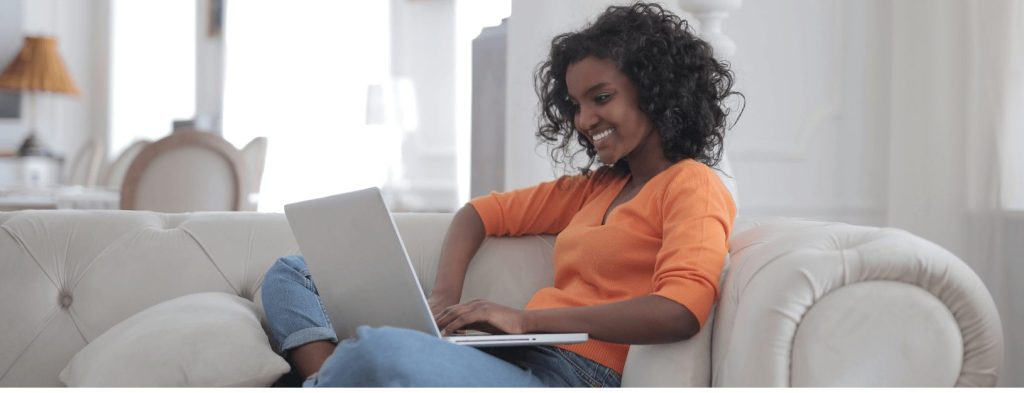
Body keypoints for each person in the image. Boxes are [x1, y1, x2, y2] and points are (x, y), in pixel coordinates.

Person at [260, 2, 742, 387]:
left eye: (600, 97)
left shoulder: (693, 185)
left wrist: (525, 319)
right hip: (519, 355)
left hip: (573, 375)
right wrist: (442, 298)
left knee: (380, 351)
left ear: (656, 90)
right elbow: (478, 213)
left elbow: (679, 312)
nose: (583, 120)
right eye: (575, 105)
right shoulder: (598, 187)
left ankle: (333, 379)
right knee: (293, 272)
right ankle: (330, 379)